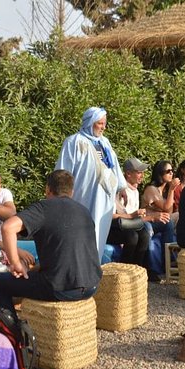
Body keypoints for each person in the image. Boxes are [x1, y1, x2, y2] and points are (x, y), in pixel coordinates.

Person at [0, 170, 102, 319]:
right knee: (31, 276)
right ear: (71, 191)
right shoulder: (84, 211)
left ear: (48, 189)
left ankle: (13, 335)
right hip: (92, 285)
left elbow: (8, 227)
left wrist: (16, 263)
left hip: (61, 288)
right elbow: (68, 251)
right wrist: (35, 269)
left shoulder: (43, 208)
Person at [55, 107, 127, 260]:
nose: (103, 127)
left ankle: (94, 271)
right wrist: (61, 197)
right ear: (90, 123)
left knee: (99, 234)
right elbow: (63, 172)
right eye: (100, 123)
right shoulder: (74, 142)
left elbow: (114, 167)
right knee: (81, 233)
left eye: (104, 123)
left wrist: (122, 187)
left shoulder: (105, 142)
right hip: (83, 197)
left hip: (104, 200)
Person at [120, 158, 175, 281]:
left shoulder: (134, 190)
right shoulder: (123, 190)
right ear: (128, 174)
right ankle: (145, 268)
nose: (142, 175)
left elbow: (168, 211)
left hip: (138, 222)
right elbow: (126, 218)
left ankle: (169, 263)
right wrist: (150, 217)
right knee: (145, 230)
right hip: (130, 225)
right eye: (139, 172)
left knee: (167, 222)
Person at [143, 160, 181, 226]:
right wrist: (171, 189)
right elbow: (167, 209)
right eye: (168, 171)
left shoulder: (166, 189)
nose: (171, 173)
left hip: (162, 220)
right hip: (149, 222)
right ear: (160, 173)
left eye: (172, 171)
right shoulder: (151, 189)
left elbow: (169, 212)